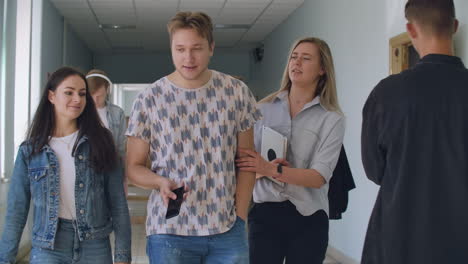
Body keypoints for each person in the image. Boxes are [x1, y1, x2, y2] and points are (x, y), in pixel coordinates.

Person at [126, 11, 261, 264]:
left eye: (196, 48)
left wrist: (240, 217)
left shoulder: (236, 92)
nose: (188, 58)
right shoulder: (150, 99)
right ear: (171, 49)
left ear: (211, 47)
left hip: (226, 230)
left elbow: (247, 163)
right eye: (180, 49)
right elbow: (133, 168)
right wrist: (159, 182)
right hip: (169, 231)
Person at [361, 0, 468, 263]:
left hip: (399, 236)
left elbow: (375, 171)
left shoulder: (386, 94)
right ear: (454, 26)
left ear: (410, 29)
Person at [0, 67, 131, 264]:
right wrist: (5, 258)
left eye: (82, 94)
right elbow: (16, 211)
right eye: (69, 92)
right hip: (48, 247)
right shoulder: (30, 150)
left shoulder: (101, 141)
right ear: (52, 96)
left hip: (94, 244)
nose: (77, 99)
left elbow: (117, 202)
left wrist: (122, 256)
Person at [236, 37, 345, 264]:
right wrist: (261, 170)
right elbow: (245, 166)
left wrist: (270, 169)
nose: (297, 63)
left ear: (323, 69)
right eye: (294, 57)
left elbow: (318, 177)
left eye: (306, 59)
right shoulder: (261, 110)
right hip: (264, 214)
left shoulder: (332, 119)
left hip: (309, 218)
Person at [86, 69, 128, 193]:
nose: (95, 99)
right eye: (91, 95)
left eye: (99, 95)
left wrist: (124, 179)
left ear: (107, 90)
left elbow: (121, 149)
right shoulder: (80, 113)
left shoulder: (117, 113)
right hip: (87, 169)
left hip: (111, 168)